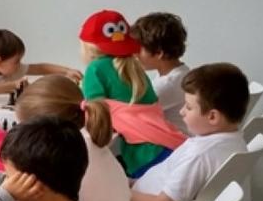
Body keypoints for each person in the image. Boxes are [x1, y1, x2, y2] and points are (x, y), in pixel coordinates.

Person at [131, 63, 250, 201]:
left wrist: (122, 194)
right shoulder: (234, 141)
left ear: (212, 117)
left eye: (188, 107)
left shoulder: (201, 156)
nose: (181, 111)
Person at [78, 9, 184, 178]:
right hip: (168, 148)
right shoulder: (135, 68)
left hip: (144, 158)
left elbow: (96, 113)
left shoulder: (95, 69)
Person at [0, 28, 82, 95]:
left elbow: (41, 68)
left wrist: (67, 71)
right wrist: (14, 85)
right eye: (16, 61)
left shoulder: (11, 69)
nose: (19, 64)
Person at [132, 12, 191, 134]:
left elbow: (129, 109)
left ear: (159, 53)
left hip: (173, 148)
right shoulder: (181, 74)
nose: (134, 54)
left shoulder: (168, 84)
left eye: (138, 49)